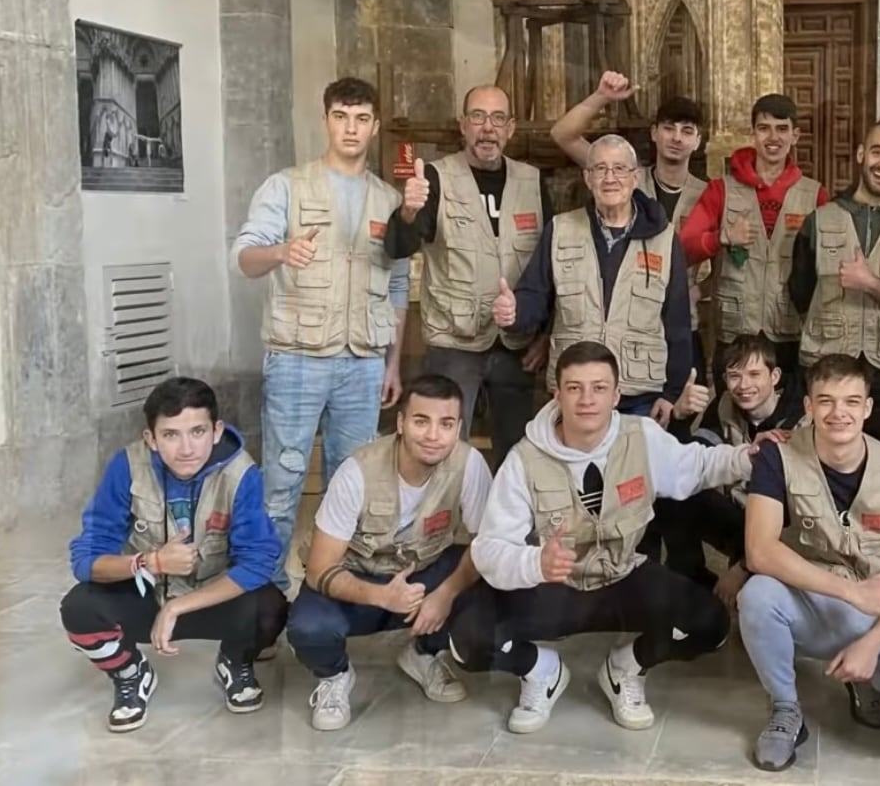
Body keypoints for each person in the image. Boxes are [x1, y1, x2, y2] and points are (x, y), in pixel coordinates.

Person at [449, 341, 754, 734]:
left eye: (598, 388)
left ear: (617, 395)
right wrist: (534, 563)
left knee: (710, 624)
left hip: (624, 577)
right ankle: (542, 672)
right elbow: (489, 548)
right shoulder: (523, 459)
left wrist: (748, 456)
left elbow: (696, 466)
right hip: (555, 586)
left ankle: (626, 667)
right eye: (574, 388)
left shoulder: (640, 435)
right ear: (557, 393)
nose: (587, 399)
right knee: (466, 639)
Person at [739, 354, 880, 771]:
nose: (838, 413)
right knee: (757, 595)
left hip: (878, 612)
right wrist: (850, 591)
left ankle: (865, 675)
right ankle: (786, 710)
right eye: (825, 401)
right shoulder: (779, 458)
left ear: (867, 408)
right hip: (813, 599)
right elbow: (760, 550)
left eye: (851, 402)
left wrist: (872, 643)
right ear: (808, 408)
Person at [231, 77, 411, 589]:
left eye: (361, 119)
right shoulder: (287, 185)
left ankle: (332, 585)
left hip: (363, 362)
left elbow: (397, 283)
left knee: (351, 482)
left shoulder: (389, 199)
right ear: (326, 120)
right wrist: (280, 252)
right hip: (298, 357)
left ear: (374, 126)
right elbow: (243, 258)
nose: (350, 128)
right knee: (282, 482)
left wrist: (393, 363)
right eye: (340, 116)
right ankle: (266, 594)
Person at [61, 377, 286, 733]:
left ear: (216, 430)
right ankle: (130, 673)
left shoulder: (241, 472)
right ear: (150, 438)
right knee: (79, 608)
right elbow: (87, 558)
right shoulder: (127, 466)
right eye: (170, 435)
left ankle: (235, 660)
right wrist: (149, 562)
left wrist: (177, 607)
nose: (186, 449)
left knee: (271, 606)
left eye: (197, 432)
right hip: (145, 595)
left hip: (211, 597)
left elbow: (258, 561)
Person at [284, 374, 492, 731]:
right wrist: (381, 596)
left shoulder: (469, 464)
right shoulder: (358, 470)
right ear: (400, 423)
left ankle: (424, 654)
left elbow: (485, 545)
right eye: (420, 421)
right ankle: (334, 676)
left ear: (458, 427)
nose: (432, 435)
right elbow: (319, 568)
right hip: (357, 579)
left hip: (422, 576)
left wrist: (445, 594)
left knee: (490, 578)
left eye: (446, 424)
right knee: (308, 629)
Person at [383, 86, 552, 464]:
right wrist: (409, 211)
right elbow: (397, 246)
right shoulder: (435, 178)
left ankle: (509, 524)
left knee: (517, 453)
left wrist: (544, 334)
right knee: (444, 449)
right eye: (477, 117)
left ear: (511, 128)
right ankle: (445, 522)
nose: (487, 128)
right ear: (463, 125)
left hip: (516, 346)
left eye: (496, 119)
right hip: (454, 344)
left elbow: (549, 265)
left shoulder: (532, 182)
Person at [493, 135, 692, 424]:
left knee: (632, 470)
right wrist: (515, 311)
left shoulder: (664, 238)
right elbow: (534, 295)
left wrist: (672, 393)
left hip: (640, 395)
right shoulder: (560, 230)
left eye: (619, 169)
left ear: (635, 177)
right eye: (600, 169)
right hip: (576, 391)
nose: (610, 178)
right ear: (588, 178)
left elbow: (678, 323)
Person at [551, 72, 712, 381]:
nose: (676, 138)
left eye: (687, 131)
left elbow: (728, 264)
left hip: (681, 328)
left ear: (698, 140)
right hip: (620, 330)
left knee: (677, 419)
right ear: (654, 133)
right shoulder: (621, 176)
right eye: (668, 128)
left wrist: (697, 290)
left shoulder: (709, 196)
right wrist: (602, 97)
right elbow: (563, 135)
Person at [788, 118, 880, 462]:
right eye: (877, 151)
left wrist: (870, 284)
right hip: (827, 366)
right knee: (820, 469)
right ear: (862, 154)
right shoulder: (818, 220)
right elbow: (800, 294)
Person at [679, 94, 830, 387]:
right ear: (753, 133)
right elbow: (684, 247)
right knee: (729, 423)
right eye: (764, 128)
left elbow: (827, 269)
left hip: (790, 334)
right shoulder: (721, 190)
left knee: (785, 424)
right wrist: (721, 237)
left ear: (795, 135)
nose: (773, 137)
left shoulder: (814, 195)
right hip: (735, 333)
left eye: (782, 128)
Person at [645, 333, 806, 600]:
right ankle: (690, 580)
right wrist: (680, 417)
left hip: (784, 533)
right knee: (670, 492)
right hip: (740, 516)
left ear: (774, 376)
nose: (744, 386)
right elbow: (687, 466)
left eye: (755, 374)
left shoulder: (801, 421)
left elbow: (803, 517)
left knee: (751, 602)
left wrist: (743, 567)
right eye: (735, 376)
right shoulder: (724, 406)